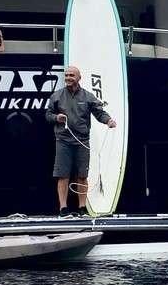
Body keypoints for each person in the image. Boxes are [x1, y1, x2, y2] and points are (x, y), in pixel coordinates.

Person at [45, 65, 116, 215]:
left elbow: (99, 112)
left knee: (82, 175)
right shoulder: (57, 96)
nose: (68, 78)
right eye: (66, 75)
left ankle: (82, 207)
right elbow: (48, 115)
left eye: (72, 75)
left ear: (79, 78)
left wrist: (108, 120)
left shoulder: (88, 96)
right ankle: (63, 208)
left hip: (82, 141)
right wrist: (56, 117)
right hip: (63, 140)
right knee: (63, 175)